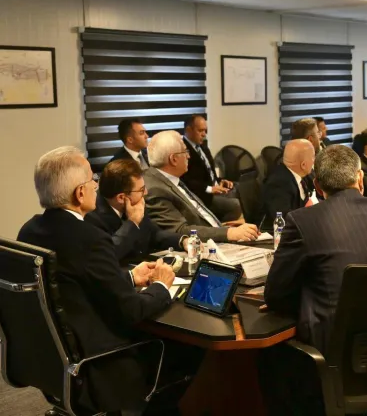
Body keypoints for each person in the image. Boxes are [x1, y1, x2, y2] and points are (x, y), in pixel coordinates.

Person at [17, 146, 199, 414]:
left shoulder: (30, 231)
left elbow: (73, 284)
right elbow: (132, 310)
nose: (96, 185)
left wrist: (129, 277)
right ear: (80, 193)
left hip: (51, 360)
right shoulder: (90, 238)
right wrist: (162, 285)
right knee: (191, 350)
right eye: (92, 179)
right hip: (101, 362)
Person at [262, 146, 367, 414]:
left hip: (332, 354)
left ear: (317, 186)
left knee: (267, 358)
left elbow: (275, 294)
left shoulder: (302, 221)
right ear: (360, 178)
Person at [144, 131, 259, 243]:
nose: (188, 156)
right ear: (173, 159)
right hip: (204, 246)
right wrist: (228, 233)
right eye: (185, 151)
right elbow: (180, 231)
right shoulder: (155, 189)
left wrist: (226, 228)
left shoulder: (170, 178)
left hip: (215, 236)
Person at [85, 159, 188, 261]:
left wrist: (183, 241)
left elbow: (153, 233)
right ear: (121, 197)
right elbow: (108, 254)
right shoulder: (91, 215)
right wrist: (132, 222)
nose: (146, 193)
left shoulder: (134, 202)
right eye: (141, 190)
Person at [181, 114, 242, 222]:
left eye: (205, 131)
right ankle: (217, 227)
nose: (204, 134)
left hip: (215, 188)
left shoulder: (203, 147)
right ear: (188, 130)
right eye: (200, 130)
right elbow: (185, 180)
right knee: (236, 205)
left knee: (241, 189)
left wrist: (220, 181)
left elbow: (210, 173)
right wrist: (210, 189)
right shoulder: (181, 149)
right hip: (201, 195)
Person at [261, 139, 315, 229]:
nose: (314, 161)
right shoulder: (278, 184)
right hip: (276, 234)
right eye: (313, 157)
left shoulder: (299, 173)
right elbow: (284, 220)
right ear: (303, 165)